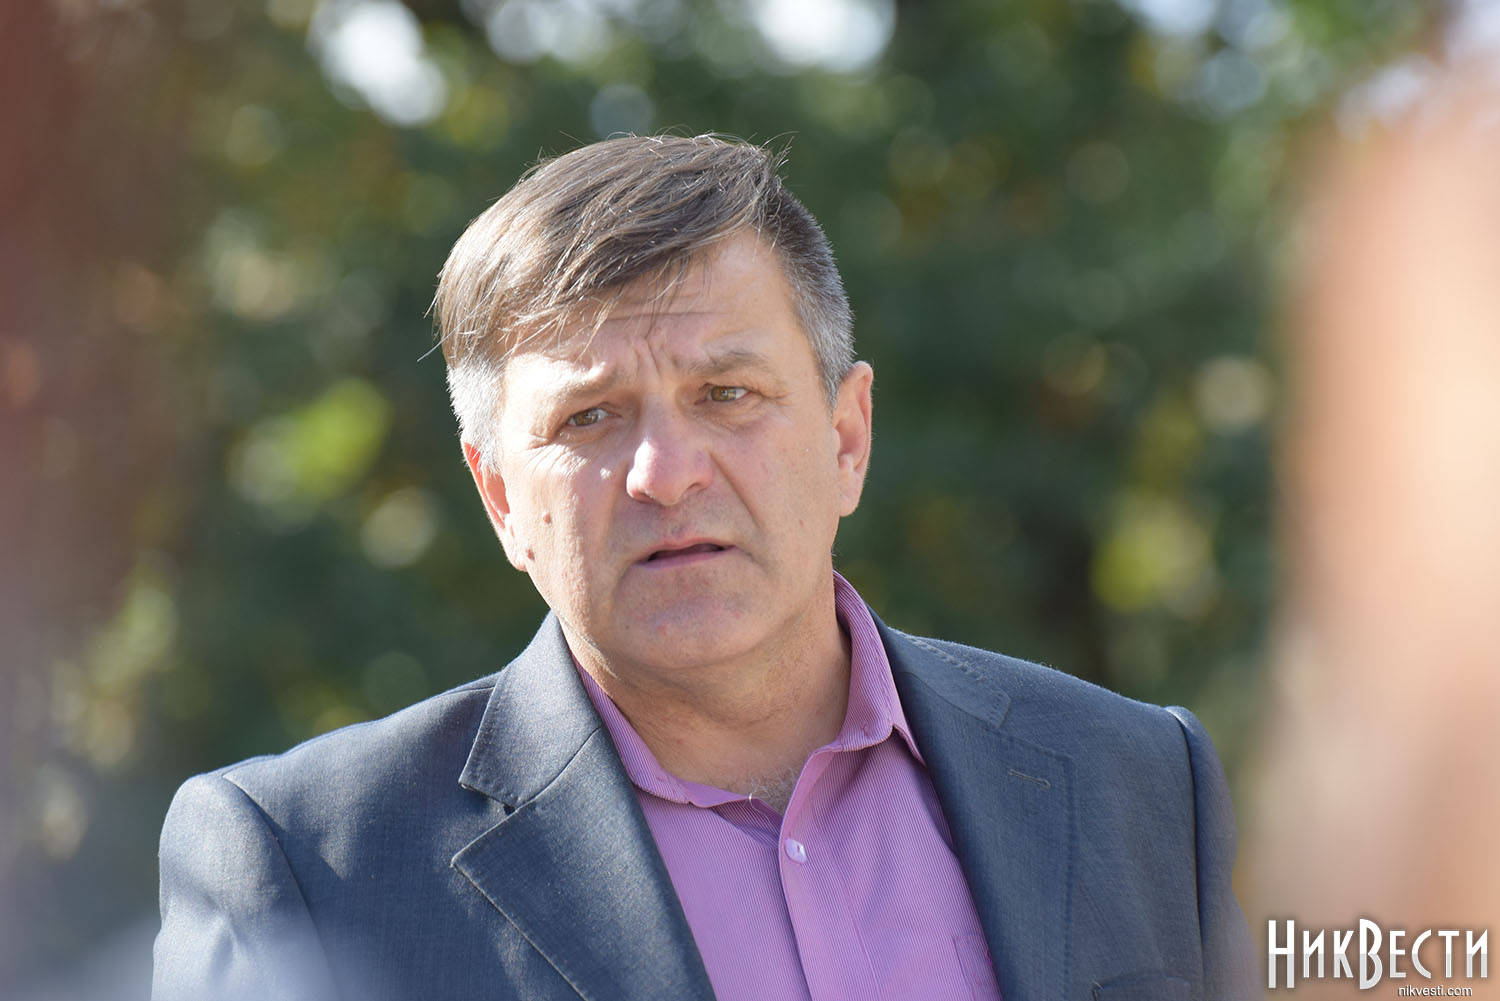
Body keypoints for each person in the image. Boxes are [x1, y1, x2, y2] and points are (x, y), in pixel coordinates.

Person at [153, 135, 1255, 1001]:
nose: (667, 473)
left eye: (727, 394)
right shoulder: (308, 869)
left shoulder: (1138, 781)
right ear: (501, 499)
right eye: (590, 416)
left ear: (847, 437)